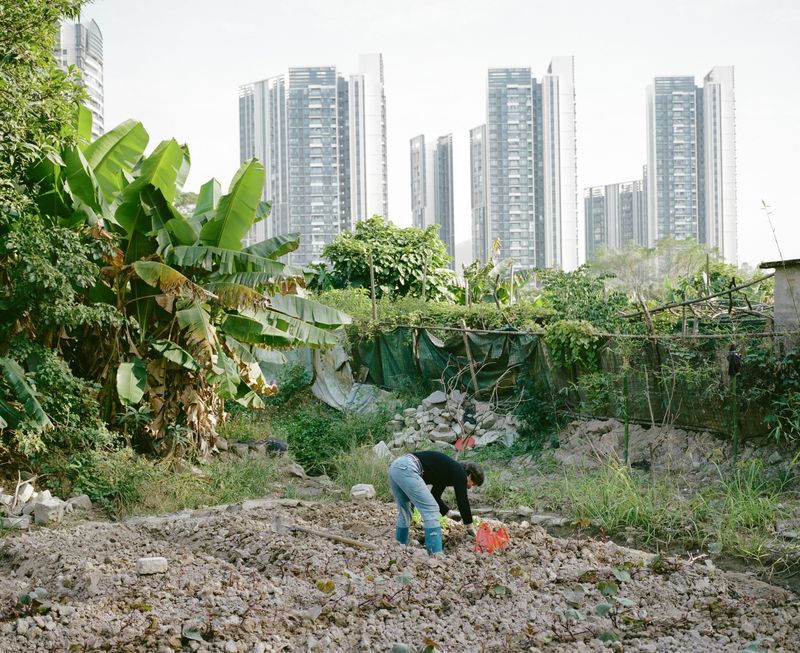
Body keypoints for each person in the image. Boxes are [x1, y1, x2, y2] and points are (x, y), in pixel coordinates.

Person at [388, 450, 484, 555]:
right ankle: (435, 553)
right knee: (431, 509)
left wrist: (448, 513)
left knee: (405, 511)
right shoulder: (460, 472)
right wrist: (469, 526)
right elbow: (462, 500)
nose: (470, 487)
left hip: (396, 467)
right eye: (473, 484)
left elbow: (435, 496)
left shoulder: (447, 471)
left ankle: (400, 545)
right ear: (469, 475)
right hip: (408, 468)